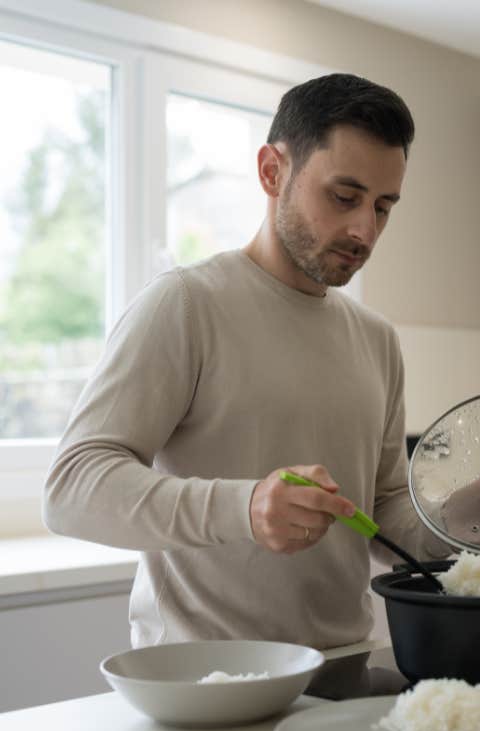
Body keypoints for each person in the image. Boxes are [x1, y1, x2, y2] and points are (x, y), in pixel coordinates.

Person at [42, 73, 452, 650]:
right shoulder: (185, 303)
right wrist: (245, 507)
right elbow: (70, 489)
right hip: (202, 682)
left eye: (383, 207)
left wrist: (463, 520)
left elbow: (382, 514)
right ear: (271, 171)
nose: (365, 230)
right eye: (344, 196)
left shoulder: (377, 338)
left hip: (341, 673)